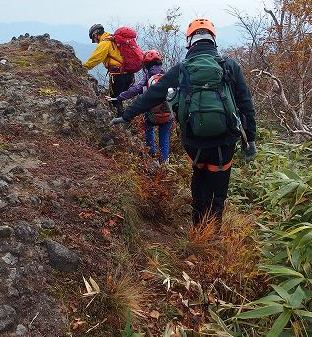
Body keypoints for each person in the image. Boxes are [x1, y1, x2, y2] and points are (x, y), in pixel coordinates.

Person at [110, 18, 257, 225]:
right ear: (213, 39)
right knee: (218, 188)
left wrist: (126, 116)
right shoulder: (230, 66)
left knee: (200, 177)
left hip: (193, 139)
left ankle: (197, 228)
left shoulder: (182, 68)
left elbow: (153, 95)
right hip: (224, 140)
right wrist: (250, 140)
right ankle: (211, 236)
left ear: (190, 42)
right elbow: (246, 105)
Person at [109, 50, 173, 163]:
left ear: (146, 64)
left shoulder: (148, 76)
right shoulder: (167, 74)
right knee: (165, 135)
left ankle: (151, 152)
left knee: (148, 126)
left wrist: (119, 97)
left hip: (152, 113)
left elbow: (136, 89)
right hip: (168, 112)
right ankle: (165, 162)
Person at [83, 24, 134, 117]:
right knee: (122, 98)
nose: (95, 41)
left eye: (93, 39)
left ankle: (119, 123)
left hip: (118, 75)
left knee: (114, 100)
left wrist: (83, 67)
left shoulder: (105, 43)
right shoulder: (114, 38)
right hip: (130, 74)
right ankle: (127, 120)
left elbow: (95, 59)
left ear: (95, 35)